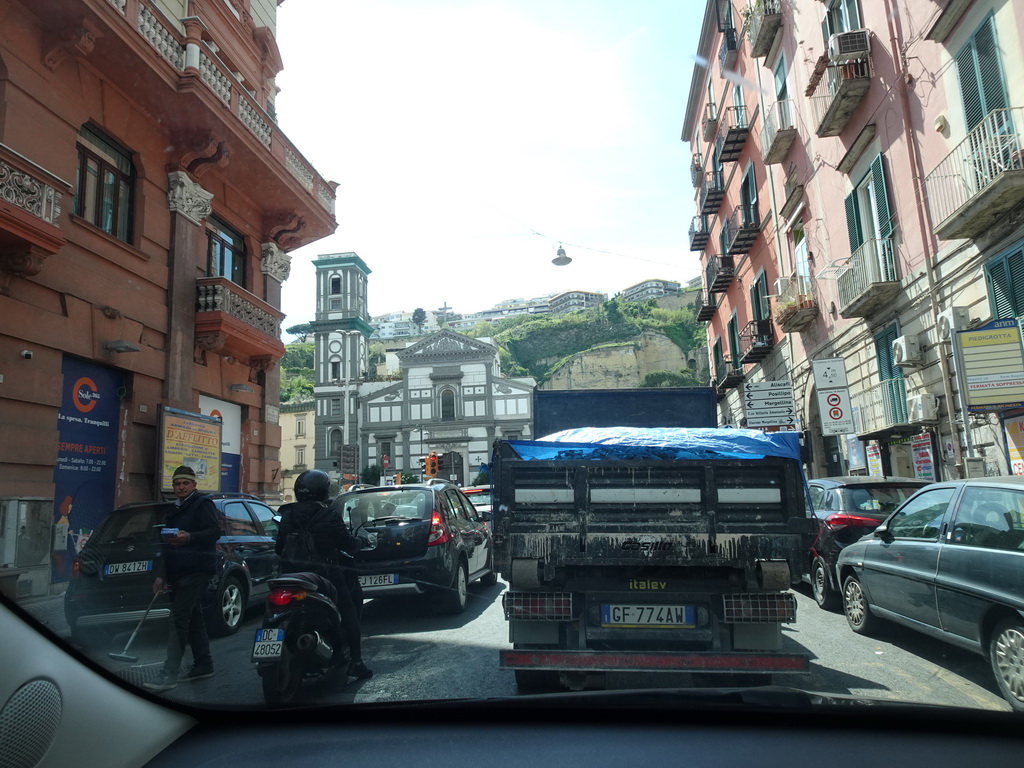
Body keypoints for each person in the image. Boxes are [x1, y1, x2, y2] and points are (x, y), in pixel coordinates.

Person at [276, 469, 372, 680]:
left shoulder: (288, 515)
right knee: (349, 610)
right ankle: (356, 661)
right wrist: (362, 541)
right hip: (325, 577)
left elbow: (278, 547)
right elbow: (348, 544)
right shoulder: (329, 515)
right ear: (323, 491)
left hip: (291, 577)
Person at [143, 466, 221, 692]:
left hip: (197, 570)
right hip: (179, 572)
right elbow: (166, 546)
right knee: (194, 618)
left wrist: (189, 538)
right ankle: (204, 665)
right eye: (177, 484)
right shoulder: (175, 510)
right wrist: (160, 575)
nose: (180, 487)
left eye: (185, 483)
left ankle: (168, 674)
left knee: (178, 620)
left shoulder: (202, 503)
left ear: (194, 485)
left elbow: (214, 532)